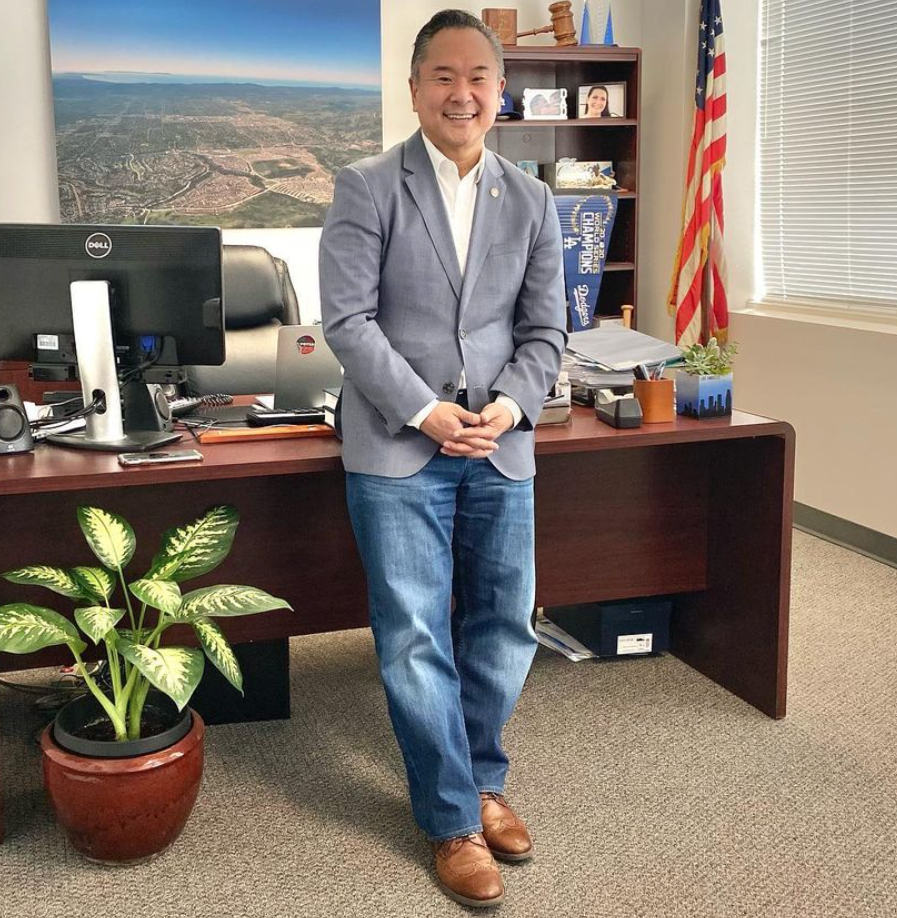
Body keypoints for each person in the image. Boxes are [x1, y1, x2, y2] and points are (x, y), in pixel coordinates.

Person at [319, 9, 567, 909]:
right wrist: (427, 413)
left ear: (501, 91)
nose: (463, 93)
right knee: (416, 635)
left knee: (504, 624)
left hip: (500, 445)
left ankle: (482, 779)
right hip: (398, 446)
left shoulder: (532, 199)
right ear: (416, 87)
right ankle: (453, 820)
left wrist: (511, 403)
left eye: (479, 78)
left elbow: (546, 331)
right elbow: (348, 322)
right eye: (444, 76)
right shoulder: (366, 186)